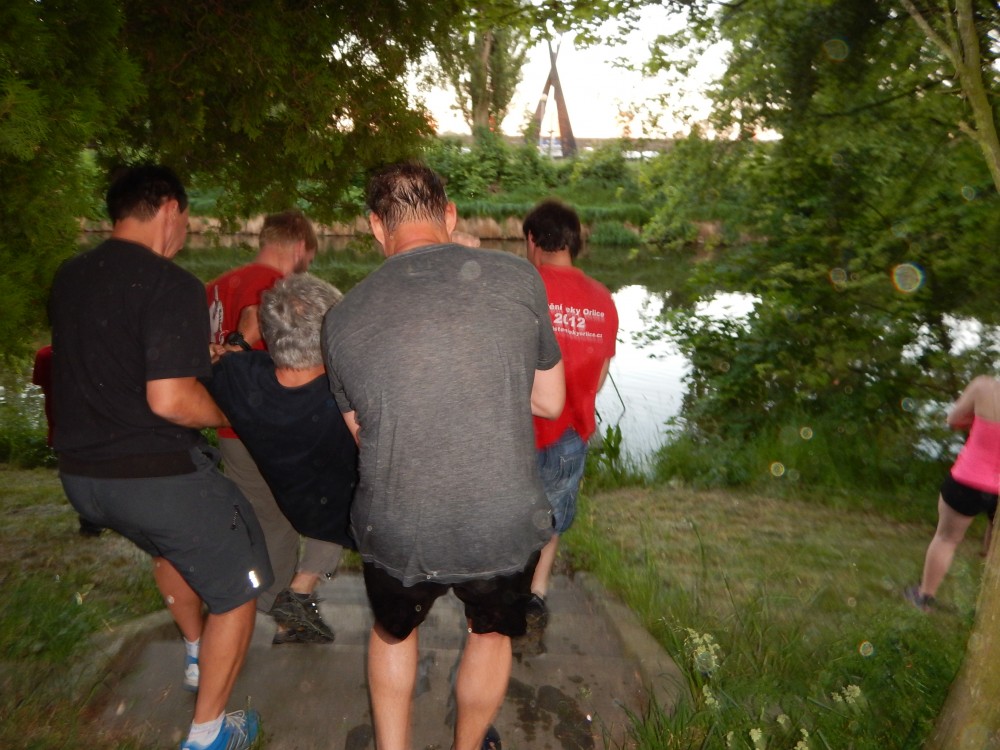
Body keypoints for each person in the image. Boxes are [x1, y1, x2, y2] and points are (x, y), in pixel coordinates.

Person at [322, 162, 566, 750]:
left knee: (393, 634)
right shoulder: (518, 278)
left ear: (376, 226)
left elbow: (364, 436)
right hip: (501, 519)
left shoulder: (341, 318)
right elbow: (551, 401)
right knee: (490, 634)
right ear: (449, 215)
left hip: (398, 524)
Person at [48, 165, 272, 750]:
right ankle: (209, 734)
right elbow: (171, 401)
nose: (186, 232)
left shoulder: (71, 276)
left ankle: (197, 652)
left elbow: (114, 357)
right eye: (187, 220)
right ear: (170, 208)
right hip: (155, 475)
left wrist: (201, 355)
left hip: (83, 477)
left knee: (172, 545)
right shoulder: (170, 283)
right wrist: (232, 412)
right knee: (240, 585)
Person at [207, 273, 357, 643]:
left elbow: (221, 364)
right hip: (333, 512)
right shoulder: (339, 394)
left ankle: (280, 604)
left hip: (286, 494)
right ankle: (301, 589)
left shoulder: (239, 376)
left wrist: (240, 340)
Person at [205, 211, 326, 642]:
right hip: (271, 426)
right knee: (289, 520)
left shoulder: (215, 287)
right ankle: (285, 614)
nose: (306, 266)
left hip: (227, 424)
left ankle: (261, 602)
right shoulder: (277, 288)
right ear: (300, 246)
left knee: (259, 518)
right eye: (309, 258)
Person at [521, 199, 619, 633]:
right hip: (571, 432)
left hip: (517, 430)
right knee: (552, 516)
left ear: (532, 240)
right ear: (574, 242)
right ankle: (536, 593)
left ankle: (503, 589)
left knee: (508, 515)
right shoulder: (603, 298)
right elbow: (599, 380)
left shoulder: (522, 286)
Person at [905, 375, 1000, 611]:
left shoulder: (984, 387)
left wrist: (978, 419)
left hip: (967, 481)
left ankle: (924, 597)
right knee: (995, 549)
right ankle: (988, 606)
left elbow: (953, 419)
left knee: (946, 539)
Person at [31, 344, 103, 537]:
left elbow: (43, 386)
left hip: (63, 426)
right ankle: (93, 522)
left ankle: (91, 523)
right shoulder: (96, 351)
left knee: (77, 474)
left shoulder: (44, 355)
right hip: (95, 424)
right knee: (95, 473)